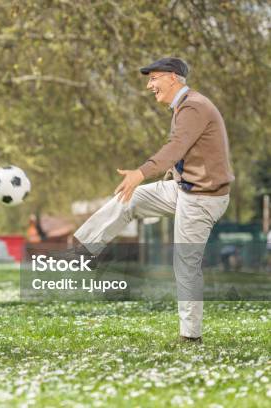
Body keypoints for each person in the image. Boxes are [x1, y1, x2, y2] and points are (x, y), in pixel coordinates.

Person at [73, 57, 233, 343]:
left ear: (172, 78)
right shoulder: (184, 106)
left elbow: (176, 147)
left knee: (185, 264)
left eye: (154, 78)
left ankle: (190, 336)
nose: (149, 85)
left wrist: (141, 172)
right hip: (184, 189)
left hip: (203, 198)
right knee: (130, 197)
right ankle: (85, 249)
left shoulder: (194, 106)